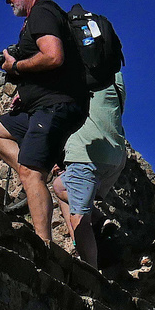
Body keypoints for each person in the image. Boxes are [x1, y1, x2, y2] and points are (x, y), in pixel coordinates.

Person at [0, 0, 89, 245]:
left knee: (32, 172)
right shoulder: (44, 15)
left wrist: (16, 65)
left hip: (54, 107)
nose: (8, 0)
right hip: (44, 105)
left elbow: (53, 56)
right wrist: (26, 89)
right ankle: (30, 171)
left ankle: (43, 245)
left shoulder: (42, 12)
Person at [51, 70, 127, 268]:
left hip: (87, 152)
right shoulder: (114, 75)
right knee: (60, 186)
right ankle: (100, 220)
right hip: (115, 155)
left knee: (79, 217)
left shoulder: (79, 73)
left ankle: (90, 272)